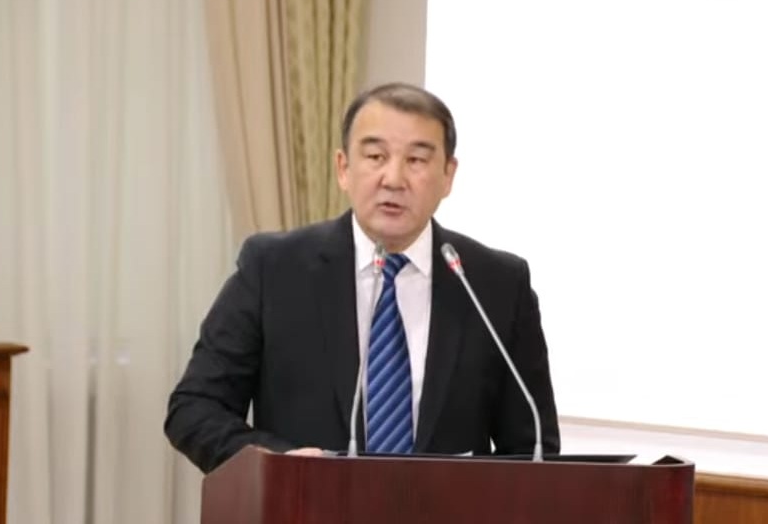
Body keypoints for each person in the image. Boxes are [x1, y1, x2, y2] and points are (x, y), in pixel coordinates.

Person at [164, 82, 559, 473]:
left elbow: (534, 447)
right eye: (375, 156)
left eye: (416, 160)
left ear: (448, 175)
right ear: (343, 168)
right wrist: (279, 465)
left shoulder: (497, 285)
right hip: (304, 504)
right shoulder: (274, 268)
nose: (394, 178)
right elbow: (195, 408)